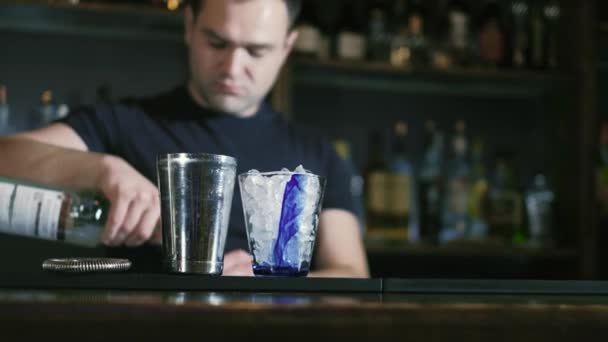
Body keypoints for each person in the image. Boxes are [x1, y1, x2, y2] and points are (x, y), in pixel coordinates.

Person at [0, 0, 369, 278]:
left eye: (256, 51)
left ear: (287, 47)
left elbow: (350, 272)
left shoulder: (314, 153)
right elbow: (6, 154)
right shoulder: (121, 123)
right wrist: (101, 169)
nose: (232, 67)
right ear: (190, 26)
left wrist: (266, 280)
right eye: (217, 42)